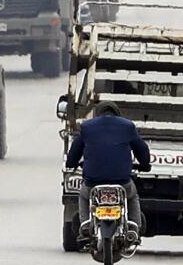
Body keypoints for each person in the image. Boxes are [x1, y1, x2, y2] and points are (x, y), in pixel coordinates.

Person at [65, 101, 151, 239]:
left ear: (97, 114)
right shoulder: (127, 126)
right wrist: (145, 165)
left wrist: (71, 163)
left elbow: (74, 151)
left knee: (84, 196)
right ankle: (134, 227)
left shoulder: (87, 127)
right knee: (132, 196)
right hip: (122, 182)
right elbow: (142, 149)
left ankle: (86, 225)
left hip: (93, 183)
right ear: (117, 114)